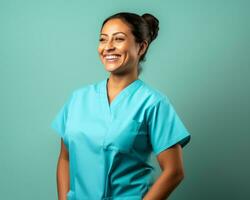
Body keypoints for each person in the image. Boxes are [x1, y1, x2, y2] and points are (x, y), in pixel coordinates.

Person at [51, 12, 191, 200]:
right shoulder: (78, 99)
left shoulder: (153, 103)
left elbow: (174, 171)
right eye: (103, 39)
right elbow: (65, 158)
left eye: (118, 39)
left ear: (141, 47)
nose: (108, 47)